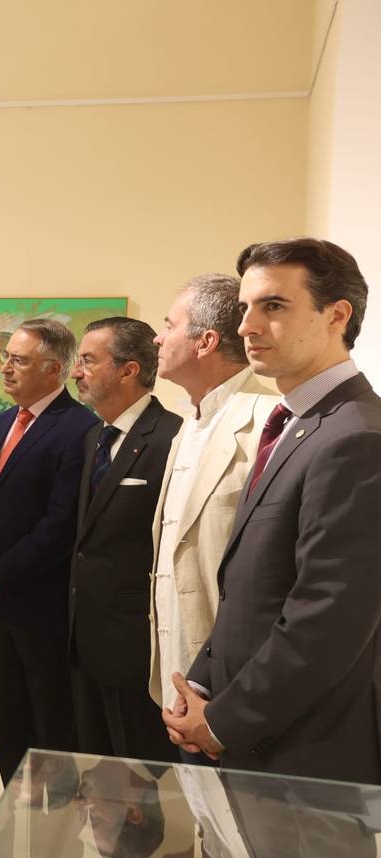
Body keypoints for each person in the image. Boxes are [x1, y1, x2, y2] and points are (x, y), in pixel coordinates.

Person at [167, 238, 381, 787]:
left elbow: (327, 619)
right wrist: (206, 687)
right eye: (245, 308)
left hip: (309, 750)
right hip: (259, 734)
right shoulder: (297, 423)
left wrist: (224, 722)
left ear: (338, 315)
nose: (247, 326)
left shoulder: (355, 437)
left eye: (274, 307)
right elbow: (250, 586)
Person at [0, 318, 96, 793]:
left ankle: (50, 843)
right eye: (7, 358)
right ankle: (11, 827)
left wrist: (1, 574)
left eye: (18, 360)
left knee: (49, 725)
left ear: (54, 368)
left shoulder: (81, 429)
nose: (6, 368)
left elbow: (61, 523)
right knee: (7, 719)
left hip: (41, 606)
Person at [148, 274, 277, 760]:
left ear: (204, 341)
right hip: (179, 674)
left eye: (169, 325)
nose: (158, 337)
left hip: (232, 683)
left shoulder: (268, 419)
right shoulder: (189, 426)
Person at [68, 317, 181, 761]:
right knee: (100, 773)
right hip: (85, 641)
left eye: (88, 361)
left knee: (142, 783)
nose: (76, 372)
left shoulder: (171, 438)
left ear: (128, 370)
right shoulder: (94, 436)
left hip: (136, 651)